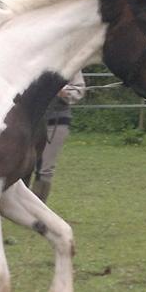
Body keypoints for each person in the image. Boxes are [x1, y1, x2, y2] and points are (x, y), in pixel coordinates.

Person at [29, 71, 85, 203]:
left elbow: (78, 90)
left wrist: (62, 92)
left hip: (57, 119)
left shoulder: (71, 61)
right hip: (29, 119)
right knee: (22, 165)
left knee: (45, 169)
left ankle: (38, 207)